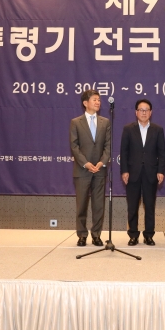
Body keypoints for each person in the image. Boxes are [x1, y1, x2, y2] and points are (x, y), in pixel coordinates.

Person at [120, 99, 165, 246]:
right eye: (141, 110)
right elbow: (124, 152)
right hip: (132, 173)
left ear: (151, 112)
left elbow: (162, 153)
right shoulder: (128, 129)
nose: (144, 112)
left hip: (151, 173)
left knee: (149, 205)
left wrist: (160, 171)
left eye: (146, 110)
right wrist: (124, 170)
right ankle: (133, 234)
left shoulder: (158, 130)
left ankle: (149, 235)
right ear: (136, 112)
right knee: (132, 205)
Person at [70, 90, 111, 247]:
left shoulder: (105, 122)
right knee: (81, 204)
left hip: (100, 169)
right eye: (94, 99)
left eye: (99, 100)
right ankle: (82, 235)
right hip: (82, 170)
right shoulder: (76, 122)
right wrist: (85, 163)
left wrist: (102, 162)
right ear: (85, 103)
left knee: (98, 205)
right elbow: (74, 146)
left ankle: (96, 234)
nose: (98, 102)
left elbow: (108, 145)